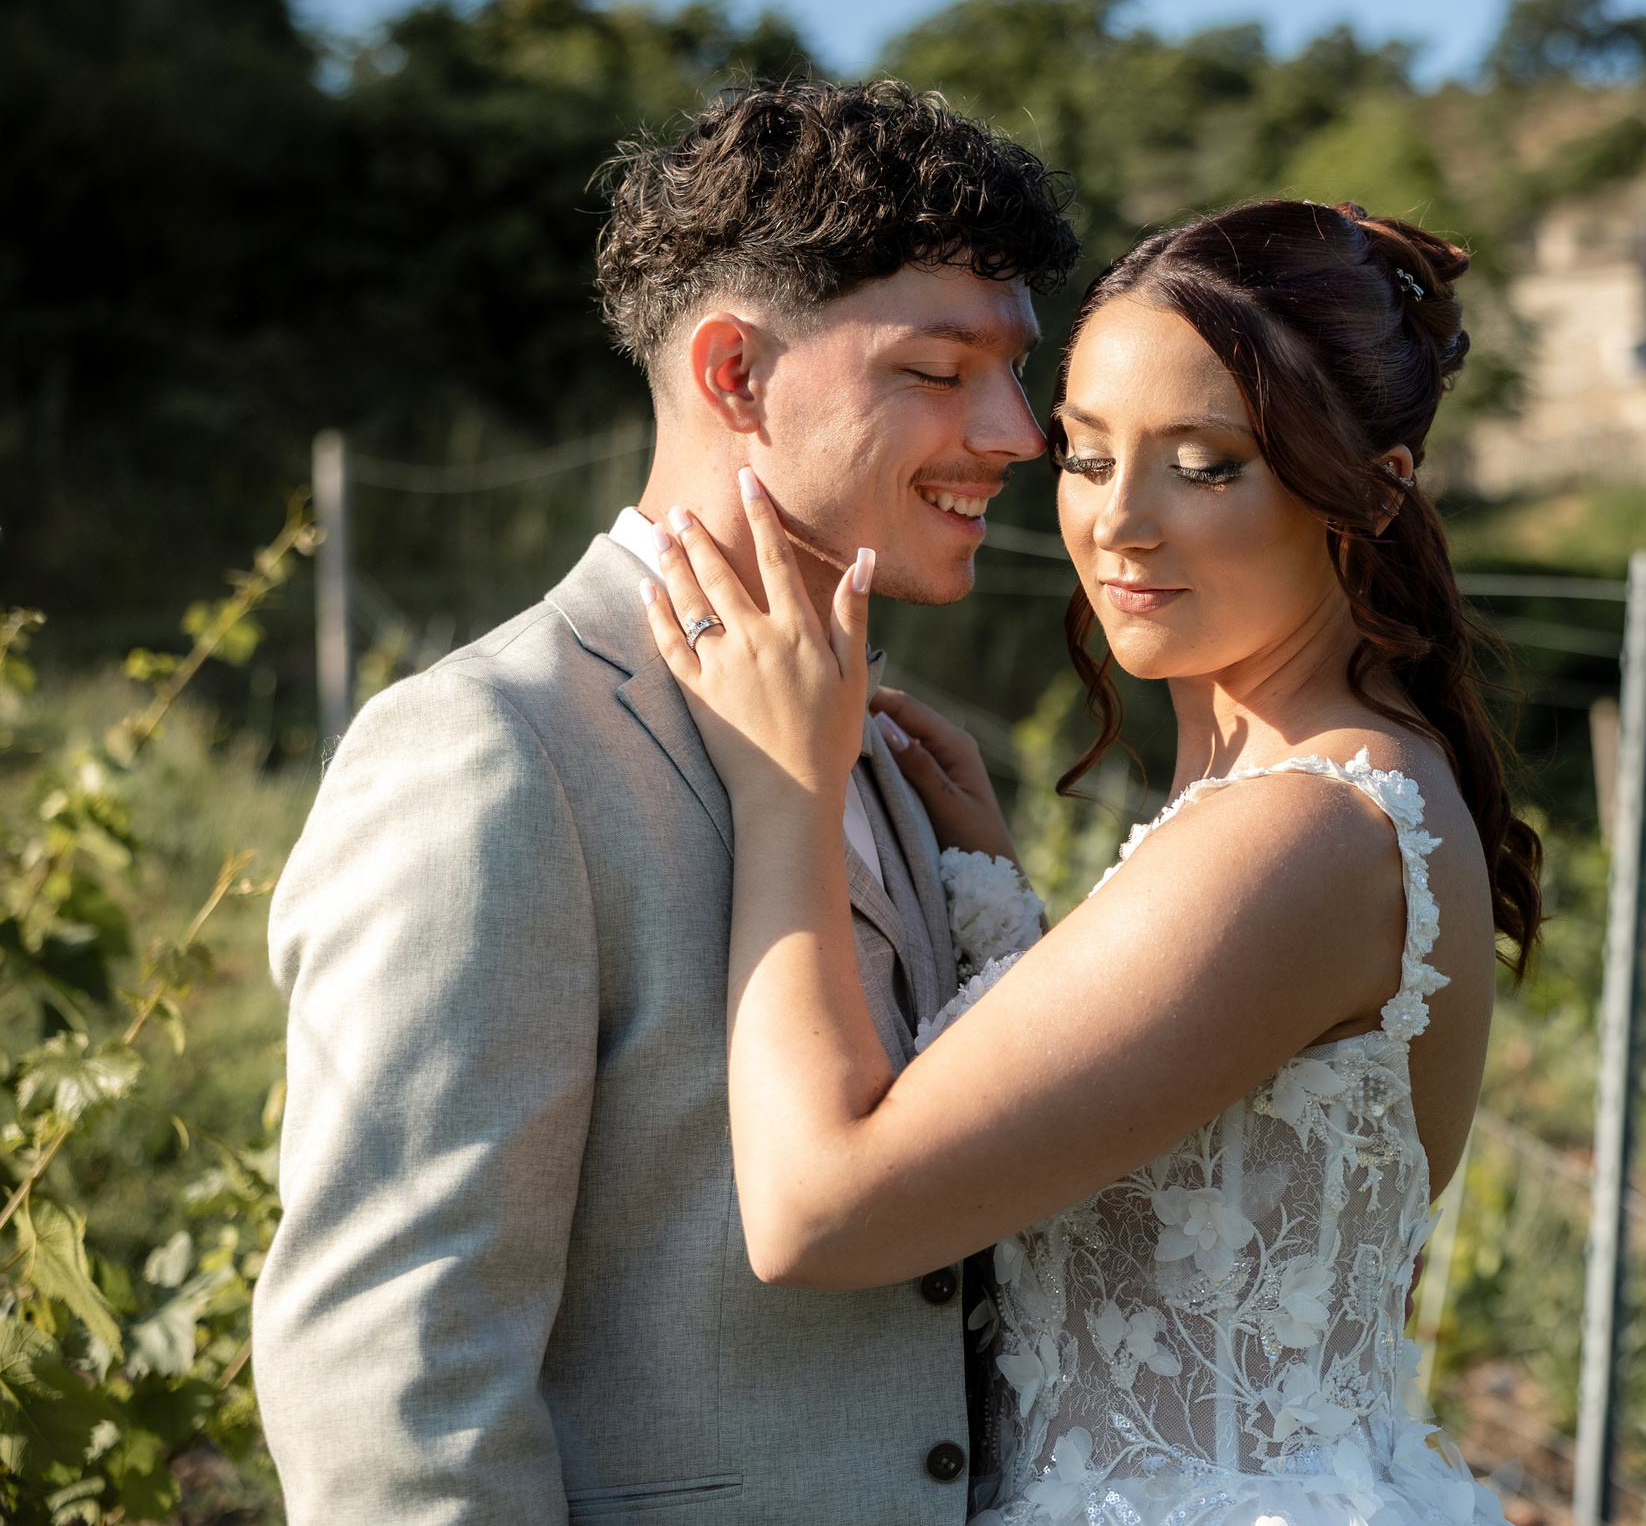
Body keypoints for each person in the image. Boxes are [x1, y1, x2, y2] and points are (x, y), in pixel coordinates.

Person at [639, 198, 1543, 1526]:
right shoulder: (1290, 794)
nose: (1120, 524)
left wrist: (790, 791)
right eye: (1085, 454)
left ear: (1376, 484)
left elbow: (817, 1214)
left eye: (1208, 464)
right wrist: (1007, 915)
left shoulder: (1308, 826)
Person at [255, 79, 1081, 1523]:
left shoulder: (889, 746)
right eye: (943, 370)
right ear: (734, 375)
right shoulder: (487, 750)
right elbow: (394, 1380)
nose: (1017, 432)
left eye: (1017, 371)